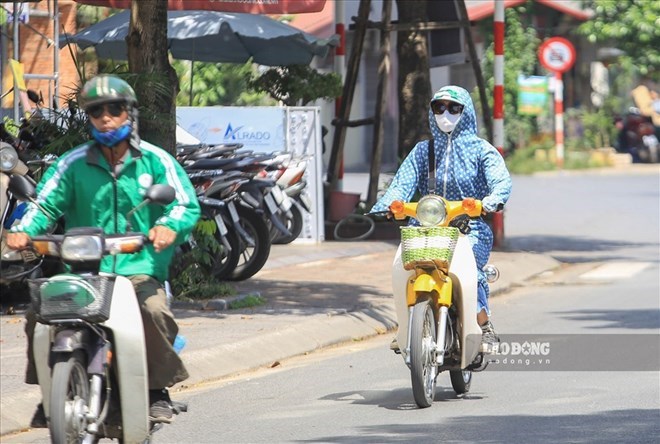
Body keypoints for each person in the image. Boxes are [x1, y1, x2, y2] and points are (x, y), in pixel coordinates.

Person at [7, 75, 201, 425]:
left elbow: (185, 204)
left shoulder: (156, 161)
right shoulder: (72, 163)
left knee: (154, 310)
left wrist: (168, 226)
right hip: (82, 271)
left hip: (138, 268)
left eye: (115, 109)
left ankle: (156, 389)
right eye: (97, 111)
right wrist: (22, 231)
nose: (106, 117)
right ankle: (51, 389)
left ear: (130, 114)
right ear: (90, 117)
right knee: (40, 313)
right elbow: (44, 204)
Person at [370, 85, 512, 354]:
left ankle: (483, 324)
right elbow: (402, 184)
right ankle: (406, 327)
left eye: (453, 108)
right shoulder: (424, 151)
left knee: (471, 267)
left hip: (468, 228)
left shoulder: (483, 151)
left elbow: (501, 181)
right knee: (401, 264)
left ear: (466, 112)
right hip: (424, 228)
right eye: (439, 108)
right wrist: (389, 205)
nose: (445, 113)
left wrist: (490, 201)